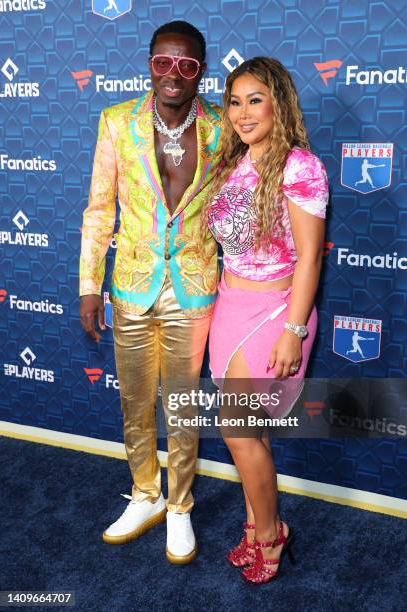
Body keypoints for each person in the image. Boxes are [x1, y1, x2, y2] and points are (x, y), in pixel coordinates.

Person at [79, 20, 222, 564]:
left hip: (193, 287)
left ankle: (180, 506)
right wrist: (90, 284)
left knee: (181, 408)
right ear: (148, 63)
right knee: (135, 403)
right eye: (162, 61)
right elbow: (99, 208)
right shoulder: (117, 122)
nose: (172, 73)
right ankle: (145, 495)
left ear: (200, 72)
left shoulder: (223, 127)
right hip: (131, 285)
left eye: (186, 65)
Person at [202, 57, 328, 583]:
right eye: (234, 100)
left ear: (279, 103)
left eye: (255, 99)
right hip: (230, 305)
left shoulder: (300, 166)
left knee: (237, 430)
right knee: (250, 432)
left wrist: (293, 331)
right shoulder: (231, 163)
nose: (243, 112)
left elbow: (311, 258)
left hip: (275, 312)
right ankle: (256, 525)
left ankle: (271, 534)